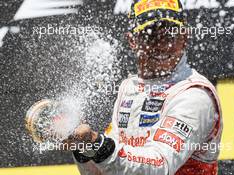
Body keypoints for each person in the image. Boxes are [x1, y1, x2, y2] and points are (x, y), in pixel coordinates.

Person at [65, 0, 223, 174]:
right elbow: (105, 170)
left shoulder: (194, 95)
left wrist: (97, 145)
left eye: (170, 36)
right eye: (151, 35)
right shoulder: (129, 88)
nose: (162, 45)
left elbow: (159, 166)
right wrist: (83, 147)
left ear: (184, 38)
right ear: (132, 41)